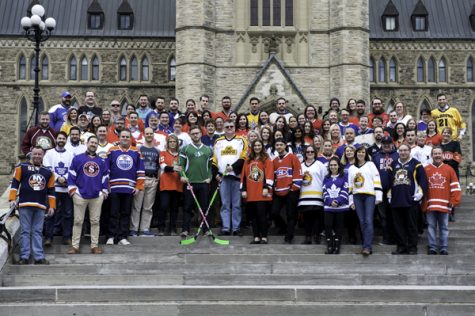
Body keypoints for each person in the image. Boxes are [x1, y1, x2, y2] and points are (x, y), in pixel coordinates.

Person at [9, 146, 56, 265]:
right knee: (25, 231)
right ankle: (24, 257)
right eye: (35, 154)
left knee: (38, 231)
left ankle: (39, 257)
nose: (37, 156)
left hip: (40, 206)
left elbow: (51, 191)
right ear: (31, 154)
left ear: (43, 155)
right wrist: (12, 199)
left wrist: (52, 206)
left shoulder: (48, 172)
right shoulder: (21, 167)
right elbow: (15, 184)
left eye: (39, 154)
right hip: (25, 204)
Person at [67, 135, 109, 254]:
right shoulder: (78, 159)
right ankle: (75, 246)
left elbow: (105, 177)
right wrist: (73, 191)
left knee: (95, 221)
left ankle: (94, 246)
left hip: (96, 196)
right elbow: (71, 175)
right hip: (80, 195)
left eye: (96, 143)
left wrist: (104, 191)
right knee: (78, 221)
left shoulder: (101, 161)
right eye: (92, 142)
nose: (93, 144)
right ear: (87, 143)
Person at [106, 130, 145, 245]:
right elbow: (106, 170)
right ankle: (111, 236)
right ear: (119, 137)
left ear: (130, 138)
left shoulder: (136, 151)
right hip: (113, 187)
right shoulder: (112, 150)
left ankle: (122, 237)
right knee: (113, 212)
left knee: (125, 213)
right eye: (123, 136)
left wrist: (138, 186)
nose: (125, 138)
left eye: (127, 137)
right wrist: (106, 185)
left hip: (129, 188)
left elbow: (141, 170)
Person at [388, 143, 428, 255]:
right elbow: (390, 182)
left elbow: (423, 181)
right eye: (401, 150)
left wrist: (420, 194)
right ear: (398, 152)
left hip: (411, 200)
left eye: (405, 150)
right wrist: (389, 194)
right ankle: (401, 247)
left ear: (410, 151)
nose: (403, 152)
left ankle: (412, 248)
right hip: (396, 200)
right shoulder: (393, 164)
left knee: (411, 226)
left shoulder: (416, 164)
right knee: (398, 226)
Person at [423, 147, 462, 255]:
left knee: (444, 227)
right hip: (431, 204)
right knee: (431, 226)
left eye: (439, 153)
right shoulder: (426, 169)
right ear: (432, 155)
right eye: (435, 153)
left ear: (443, 155)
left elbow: (455, 186)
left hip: (445, 204)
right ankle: (432, 247)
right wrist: (424, 202)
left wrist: (454, 200)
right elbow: (422, 188)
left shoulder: (449, 169)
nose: (437, 155)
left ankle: (443, 247)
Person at [212, 120, 248, 235]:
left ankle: (236, 228)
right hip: (223, 178)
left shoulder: (241, 140)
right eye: (226, 126)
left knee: (236, 204)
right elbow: (214, 160)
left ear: (235, 127)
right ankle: (226, 228)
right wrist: (216, 174)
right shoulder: (218, 141)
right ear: (223, 127)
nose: (229, 128)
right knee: (225, 204)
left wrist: (233, 168)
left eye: (231, 126)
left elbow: (244, 157)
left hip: (237, 177)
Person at [179, 125, 213, 236]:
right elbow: (181, 165)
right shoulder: (185, 149)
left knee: (205, 207)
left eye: (197, 133)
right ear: (190, 135)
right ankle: (185, 229)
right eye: (193, 133)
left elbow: (210, 167)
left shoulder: (208, 149)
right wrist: (182, 175)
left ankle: (206, 229)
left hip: (203, 182)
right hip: (190, 182)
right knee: (187, 207)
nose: (195, 135)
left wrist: (210, 177)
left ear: (201, 134)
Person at [348, 146, 382, 256]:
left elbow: (376, 180)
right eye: (359, 152)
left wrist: (378, 196)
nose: (361, 154)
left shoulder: (370, 165)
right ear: (356, 154)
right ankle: (365, 244)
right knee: (362, 221)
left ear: (365, 154)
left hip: (369, 196)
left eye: (363, 152)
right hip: (357, 197)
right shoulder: (351, 168)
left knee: (368, 220)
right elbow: (350, 186)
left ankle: (367, 246)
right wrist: (351, 201)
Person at [42, 132, 74, 246]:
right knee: (51, 213)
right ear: (56, 140)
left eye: (63, 138)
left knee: (68, 214)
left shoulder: (70, 154)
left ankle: (66, 237)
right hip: (53, 189)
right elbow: (47, 168)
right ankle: (48, 237)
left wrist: (64, 178)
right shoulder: (49, 153)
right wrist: (57, 178)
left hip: (66, 189)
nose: (61, 140)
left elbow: (72, 169)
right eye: (59, 138)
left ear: (66, 140)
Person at [241, 139, 273, 244]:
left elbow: (269, 173)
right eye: (255, 145)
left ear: (262, 147)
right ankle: (256, 236)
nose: (257, 147)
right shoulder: (248, 159)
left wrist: (266, 187)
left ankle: (264, 236)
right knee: (253, 216)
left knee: (262, 215)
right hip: (250, 192)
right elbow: (244, 176)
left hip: (261, 192)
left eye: (259, 145)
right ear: (252, 147)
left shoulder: (266, 158)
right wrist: (244, 189)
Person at [129, 128, 160, 237]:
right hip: (141, 179)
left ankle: (144, 229)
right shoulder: (138, 149)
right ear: (144, 134)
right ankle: (133, 229)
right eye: (147, 133)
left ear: (153, 135)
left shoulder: (157, 151)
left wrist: (157, 179)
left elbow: (159, 166)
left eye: (151, 133)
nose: (149, 135)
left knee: (148, 207)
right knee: (137, 206)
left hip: (152, 179)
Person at [271, 138, 302, 244]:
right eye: (277, 145)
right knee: (274, 212)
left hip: (291, 191)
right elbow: (273, 175)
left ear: (285, 146)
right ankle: (283, 227)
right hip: (278, 191)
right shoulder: (274, 160)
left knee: (291, 214)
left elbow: (298, 172)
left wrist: (294, 187)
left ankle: (289, 235)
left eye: (281, 144)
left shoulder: (292, 157)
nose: (279, 146)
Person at [372, 136, 399, 245]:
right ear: (381, 144)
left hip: (395, 190)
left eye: (388, 143)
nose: (386, 145)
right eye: (384, 143)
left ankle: (397, 238)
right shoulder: (376, 156)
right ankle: (386, 238)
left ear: (392, 143)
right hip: (381, 191)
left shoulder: (397, 155)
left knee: (395, 215)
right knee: (383, 216)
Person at [298, 145, 327, 244]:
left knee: (316, 217)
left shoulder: (320, 165)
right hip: (304, 196)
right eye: (308, 152)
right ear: (305, 153)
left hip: (317, 195)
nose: (310, 153)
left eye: (312, 152)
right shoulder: (301, 165)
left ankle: (317, 235)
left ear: (315, 153)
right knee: (307, 218)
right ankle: (308, 237)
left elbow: (325, 180)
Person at [322, 157, 351, 254]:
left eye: (335, 165)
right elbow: (324, 191)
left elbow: (345, 189)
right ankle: (330, 246)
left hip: (341, 207)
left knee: (339, 226)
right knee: (327, 225)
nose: (333, 167)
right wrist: (330, 201)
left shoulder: (344, 176)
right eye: (331, 165)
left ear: (338, 166)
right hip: (328, 207)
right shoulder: (326, 178)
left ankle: (337, 246)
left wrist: (338, 201)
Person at [159, 134, 183, 236]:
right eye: (170, 141)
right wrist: (173, 168)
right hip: (165, 183)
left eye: (174, 141)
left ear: (177, 143)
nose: (172, 143)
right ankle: (161, 228)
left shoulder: (181, 154)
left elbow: (183, 167)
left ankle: (173, 229)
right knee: (164, 206)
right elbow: (163, 166)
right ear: (167, 143)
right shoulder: (163, 153)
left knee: (174, 208)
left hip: (177, 183)